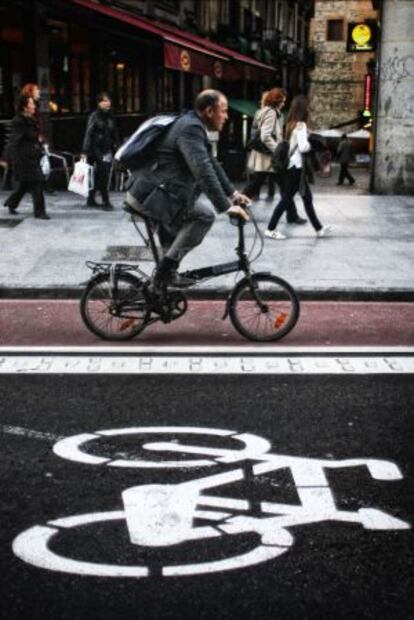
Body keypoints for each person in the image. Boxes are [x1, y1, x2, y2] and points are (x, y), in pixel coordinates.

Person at [126, 89, 251, 288]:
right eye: (224, 111)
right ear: (209, 111)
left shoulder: (192, 125)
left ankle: (161, 287)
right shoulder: (190, 129)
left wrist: (234, 194)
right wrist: (225, 206)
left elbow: (212, 164)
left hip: (155, 194)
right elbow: (202, 171)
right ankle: (165, 272)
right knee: (203, 216)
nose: (226, 117)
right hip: (150, 196)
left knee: (178, 232)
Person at [264, 95, 331, 240]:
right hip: (296, 168)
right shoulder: (301, 124)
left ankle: (318, 228)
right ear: (303, 109)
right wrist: (312, 141)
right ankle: (270, 229)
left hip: (293, 167)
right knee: (286, 199)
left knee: (307, 198)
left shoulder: (290, 124)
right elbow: (303, 147)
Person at [243, 88, 305, 225]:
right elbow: (265, 136)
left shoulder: (265, 111)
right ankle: (292, 215)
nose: (283, 103)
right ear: (276, 101)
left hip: (265, 156)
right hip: (269, 157)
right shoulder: (271, 113)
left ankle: (292, 215)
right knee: (282, 185)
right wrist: (277, 149)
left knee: (258, 184)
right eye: (282, 101)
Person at [3, 94, 50, 219]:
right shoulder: (18, 121)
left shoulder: (32, 119)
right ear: (25, 107)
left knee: (24, 185)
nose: (34, 106)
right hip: (23, 158)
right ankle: (40, 212)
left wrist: (39, 141)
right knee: (37, 183)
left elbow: (34, 136)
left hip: (33, 155)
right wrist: (5, 158)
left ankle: (11, 203)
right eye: (31, 103)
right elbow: (13, 140)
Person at [81, 92, 120, 210]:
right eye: (104, 101)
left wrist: (117, 146)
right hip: (95, 148)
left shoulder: (111, 116)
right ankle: (105, 200)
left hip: (106, 148)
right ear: (99, 103)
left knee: (102, 174)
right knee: (102, 174)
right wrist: (85, 150)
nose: (107, 103)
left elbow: (114, 133)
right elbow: (89, 133)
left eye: (108, 100)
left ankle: (91, 199)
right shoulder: (94, 116)